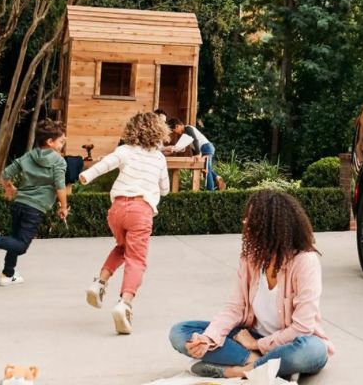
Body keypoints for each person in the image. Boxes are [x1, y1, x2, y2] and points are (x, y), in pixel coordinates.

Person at [168, 190, 333, 379]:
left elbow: (302, 328)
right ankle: (264, 365)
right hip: (249, 338)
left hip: (291, 343)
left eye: (252, 219)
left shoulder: (305, 261)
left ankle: (244, 370)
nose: (245, 223)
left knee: (312, 351)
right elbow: (235, 308)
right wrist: (208, 339)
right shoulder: (251, 259)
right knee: (180, 333)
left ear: (273, 227)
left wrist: (257, 345)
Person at [79, 112, 170, 335]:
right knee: (136, 260)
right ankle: (124, 304)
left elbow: (104, 165)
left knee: (122, 248)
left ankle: (99, 283)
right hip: (141, 210)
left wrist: (86, 177)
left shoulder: (124, 151)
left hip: (117, 210)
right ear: (158, 132)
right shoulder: (159, 158)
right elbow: (165, 188)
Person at [0, 120, 69, 287]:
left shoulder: (29, 155)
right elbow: (60, 186)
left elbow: (5, 174)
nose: (62, 144)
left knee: (15, 238)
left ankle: (7, 274)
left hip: (19, 204)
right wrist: (63, 207)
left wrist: (9, 188)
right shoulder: (59, 162)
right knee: (21, 245)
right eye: (61, 141)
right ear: (50, 142)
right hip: (35, 209)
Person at [163, 118, 225, 191]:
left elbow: (195, 140)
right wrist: (169, 151)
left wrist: (198, 154)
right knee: (206, 168)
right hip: (205, 148)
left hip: (206, 147)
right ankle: (217, 177)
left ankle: (210, 192)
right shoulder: (185, 133)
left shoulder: (188, 128)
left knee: (207, 170)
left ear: (177, 126)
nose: (175, 133)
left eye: (174, 131)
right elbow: (184, 148)